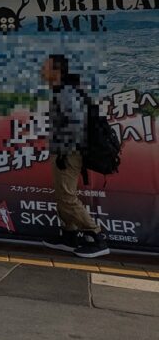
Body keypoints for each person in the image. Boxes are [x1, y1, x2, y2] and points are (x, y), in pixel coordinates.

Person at [40, 54, 109, 258]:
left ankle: (97, 236)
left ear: (56, 71)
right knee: (62, 194)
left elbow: (76, 125)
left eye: (46, 68)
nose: (42, 71)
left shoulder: (67, 93)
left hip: (68, 153)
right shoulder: (62, 91)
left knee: (67, 196)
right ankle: (69, 235)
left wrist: (64, 151)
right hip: (63, 151)